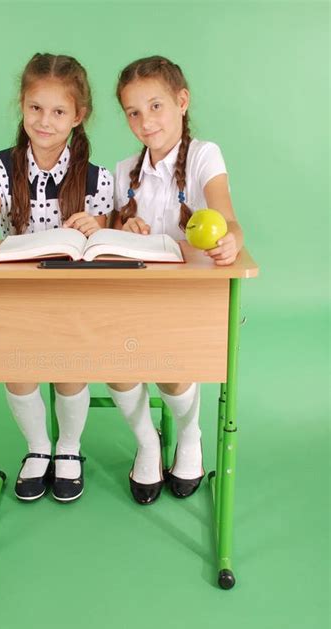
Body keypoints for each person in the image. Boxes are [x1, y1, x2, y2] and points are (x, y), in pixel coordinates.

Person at [0, 53, 113, 503]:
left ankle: (68, 448)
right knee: (17, 370)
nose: (45, 121)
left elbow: (99, 245)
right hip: (18, 293)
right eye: (35, 108)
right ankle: (38, 447)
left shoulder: (98, 179)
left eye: (59, 111)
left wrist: (99, 227)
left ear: (78, 116)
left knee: (70, 370)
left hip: (73, 293)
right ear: (22, 106)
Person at [108, 55, 244, 505]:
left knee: (169, 370)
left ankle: (189, 435)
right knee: (111, 358)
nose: (146, 122)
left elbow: (227, 219)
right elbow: (110, 242)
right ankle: (147, 443)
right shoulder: (124, 170)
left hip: (189, 301)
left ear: (181, 102)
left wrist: (229, 241)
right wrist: (121, 228)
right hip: (135, 300)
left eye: (155, 106)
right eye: (133, 112)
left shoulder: (205, 155)